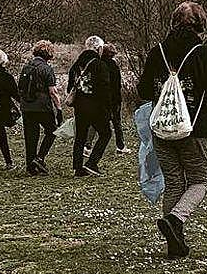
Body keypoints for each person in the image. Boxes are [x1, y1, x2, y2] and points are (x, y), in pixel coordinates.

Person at [137, 2, 207, 257]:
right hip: (194, 128)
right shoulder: (204, 55)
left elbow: (143, 91)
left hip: (161, 128)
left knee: (173, 182)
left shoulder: (156, 52)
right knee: (200, 179)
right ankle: (175, 220)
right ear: (200, 26)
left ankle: (175, 243)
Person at [68, 35, 113, 176]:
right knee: (106, 133)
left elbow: (70, 87)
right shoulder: (100, 65)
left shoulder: (76, 66)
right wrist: (108, 110)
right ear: (99, 48)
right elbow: (105, 89)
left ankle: (77, 167)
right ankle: (92, 162)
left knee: (80, 136)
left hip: (79, 106)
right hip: (96, 107)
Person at [20, 40, 61, 175]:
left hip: (27, 106)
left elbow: (20, 87)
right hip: (43, 106)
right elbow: (53, 92)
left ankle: (30, 166)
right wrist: (59, 108)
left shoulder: (26, 67)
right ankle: (40, 157)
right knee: (52, 130)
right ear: (48, 54)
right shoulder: (46, 69)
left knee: (31, 136)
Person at [103, 44, 130, 154]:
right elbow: (117, 84)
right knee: (117, 123)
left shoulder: (99, 64)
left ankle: (88, 145)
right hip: (114, 99)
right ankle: (121, 146)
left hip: (102, 99)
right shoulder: (113, 65)